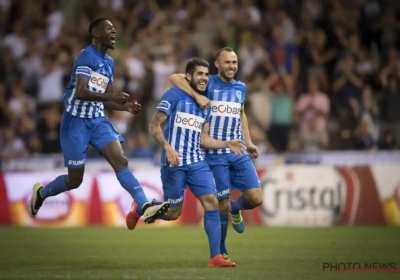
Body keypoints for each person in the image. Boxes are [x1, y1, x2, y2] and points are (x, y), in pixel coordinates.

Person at [28, 18, 170, 223]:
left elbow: (107, 99)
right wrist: (113, 97)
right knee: (75, 180)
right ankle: (41, 193)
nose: (114, 33)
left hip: (97, 120)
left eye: (114, 29)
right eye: (109, 29)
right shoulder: (86, 56)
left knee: (120, 160)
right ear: (96, 34)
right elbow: (81, 92)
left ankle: (145, 205)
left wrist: (125, 106)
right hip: (75, 122)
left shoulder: (109, 62)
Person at [127, 58, 244, 267]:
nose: (204, 78)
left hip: (198, 162)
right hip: (175, 163)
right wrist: (168, 148)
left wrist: (227, 143)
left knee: (212, 203)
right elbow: (154, 127)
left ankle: (215, 257)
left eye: (207, 75)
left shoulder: (206, 103)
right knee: (173, 213)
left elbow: (204, 139)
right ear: (188, 76)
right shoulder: (174, 95)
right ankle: (140, 209)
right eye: (200, 74)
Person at [167, 47, 263, 261]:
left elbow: (241, 114)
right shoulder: (207, 82)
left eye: (234, 62)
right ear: (217, 64)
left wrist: (248, 142)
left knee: (256, 198)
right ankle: (221, 249)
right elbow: (174, 77)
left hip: (237, 150)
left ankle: (236, 208)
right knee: (220, 203)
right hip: (214, 153)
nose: (232, 66)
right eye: (227, 62)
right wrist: (196, 96)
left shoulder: (241, 87)